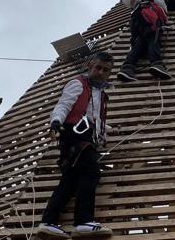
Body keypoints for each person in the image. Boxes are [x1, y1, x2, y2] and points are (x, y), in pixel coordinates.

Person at [37, 52, 114, 239]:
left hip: (85, 134)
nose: (101, 72)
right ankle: (83, 221)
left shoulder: (100, 93)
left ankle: (48, 222)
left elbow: (92, 117)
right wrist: (55, 122)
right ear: (90, 66)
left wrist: (104, 132)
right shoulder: (78, 83)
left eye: (105, 70)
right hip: (74, 133)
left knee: (70, 180)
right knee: (91, 172)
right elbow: (64, 104)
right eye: (98, 67)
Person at [117, 0, 172, 82]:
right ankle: (156, 63)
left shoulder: (161, 0)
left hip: (145, 22)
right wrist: (134, 2)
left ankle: (127, 67)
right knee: (154, 39)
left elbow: (165, 14)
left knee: (140, 43)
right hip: (147, 19)